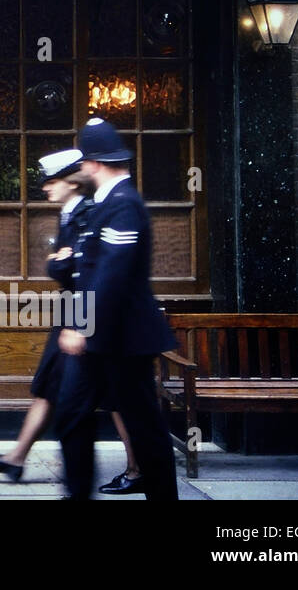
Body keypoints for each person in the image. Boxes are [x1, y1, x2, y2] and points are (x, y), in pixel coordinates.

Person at [0, 149, 142, 491]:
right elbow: (59, 265)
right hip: (73, 312)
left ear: (72, 182)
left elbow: (81, 268)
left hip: (87, 313)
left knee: (113, 396)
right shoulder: (70, 213)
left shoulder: (86, 214)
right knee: (49, 385)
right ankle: (17, 458)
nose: (45, 188)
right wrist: (58, 263)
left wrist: (61, 265)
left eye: (51, 181)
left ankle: (138, 469)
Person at [53, 118, 179, 501]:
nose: (81, 169)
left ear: (94, 163)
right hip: (101, 338)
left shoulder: (124, 204)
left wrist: (81, 326)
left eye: (84, 162)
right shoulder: (104, 204)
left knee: (145, 429)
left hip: (125, 338)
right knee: (72, 415)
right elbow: (89, 266)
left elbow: (112, 272)